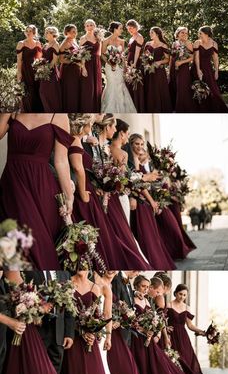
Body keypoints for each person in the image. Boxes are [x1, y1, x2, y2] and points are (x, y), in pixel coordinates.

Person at [1, 270, 82, 374]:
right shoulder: (19, 270)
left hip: (43, 330)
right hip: (27, 331)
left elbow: (69, 306)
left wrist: (68, 332)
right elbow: (14, 300)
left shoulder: (62, 271)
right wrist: (37, 310)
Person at [68, 114, 150, 270]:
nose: (115, 129)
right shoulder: (90, 144)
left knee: (116, 232)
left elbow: (108, 172)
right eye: (114, 126)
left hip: (103, 192)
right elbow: (83, 169)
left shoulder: (101, 146)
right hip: (91, 193)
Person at [0, 113, 74, 270]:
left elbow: (61, 161)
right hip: (12, 185)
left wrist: (69, 196)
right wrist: (7, 110)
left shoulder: (59, 116)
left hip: (41, 188)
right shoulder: (15, 110)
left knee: (37, 241)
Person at [61, 270, 120, 374]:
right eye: (80, 263)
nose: (83, 267)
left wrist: (99, 333)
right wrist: (79, 332)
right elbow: (64, 314)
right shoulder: (66, 283)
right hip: (71, 340)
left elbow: (100, 315)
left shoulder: (96, 287)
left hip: (90, 342)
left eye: (86, 264)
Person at [131, 275, 198, 374]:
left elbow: (156, 318)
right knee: (143, 367)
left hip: (150, 339)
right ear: (136, 286)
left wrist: (155, 332)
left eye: (147, 286)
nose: (145, 289)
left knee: (160, 366)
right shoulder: (132, 299)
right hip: (137, 339)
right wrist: (145, 330)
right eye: (143, 286)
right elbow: (132, 320)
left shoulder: (147, 301)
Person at [96, 115, 152, 270]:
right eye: (127, 133)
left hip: (109, 195)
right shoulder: (123, 154)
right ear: (121, 134)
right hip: (120, 196)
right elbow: (124, 179)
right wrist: (142, 178)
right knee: (124, 229)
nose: (127, 136)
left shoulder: (106, 149)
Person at [94, 270, 149, 374]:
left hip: (107, 331)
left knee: (105, 368)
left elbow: (110, 312)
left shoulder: (111, 286)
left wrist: (109, 334)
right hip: (96, 329)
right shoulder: (102, 282)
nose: (112, 271)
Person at [129, 134, 176, 270]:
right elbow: (139, 184)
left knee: (151, 236)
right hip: (140, 202)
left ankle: (156, 262)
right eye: (137, 144)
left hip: (144, 202)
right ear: (131, 143)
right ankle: (151, 263)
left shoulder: (136, 160)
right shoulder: (131, 159)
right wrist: (152, 201)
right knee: (146, 237)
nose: (140, 147)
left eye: (142, 144)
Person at [23, 270, 75, 374]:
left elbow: (70, 305)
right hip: (37, 329)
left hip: (58, 333)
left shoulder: (65, 273)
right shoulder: (28, 271)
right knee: (35, 371)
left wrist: (69, 333)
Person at [167, 284, 211, 374]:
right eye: (180, 294)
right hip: (171, 336)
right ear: (176, 293)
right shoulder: (168, 305)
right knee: (174, 362)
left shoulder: (187, 308)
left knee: (186, 361)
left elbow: (190, 326)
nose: (182, 297)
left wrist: (202, 332)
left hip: (183, 338)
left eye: (184, 295)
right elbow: (163, 321)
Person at [101, 21, 137, 113]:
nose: (122, 30)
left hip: (120, 67)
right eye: (120, 28)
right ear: (115, 29)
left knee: (120, 85)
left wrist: (125, 67)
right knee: (112, 85)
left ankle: (122, 109)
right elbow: (102, 55)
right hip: (110, 67)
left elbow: (123, 56)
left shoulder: (122, 41)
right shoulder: (105, 41)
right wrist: (110, 63)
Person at [193, 26, 228, 113]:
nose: (199, 35)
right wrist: (198, 70)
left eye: (200, 33)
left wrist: (216, 71)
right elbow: (196, 58)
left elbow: (216, 59)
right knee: (199, 90)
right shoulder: (197, 43)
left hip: (208, 69)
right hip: (197, 68)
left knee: (213, 89)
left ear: (206, 34)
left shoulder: (214, 44)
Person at [144, 27, 172, 112]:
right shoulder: (148, 44)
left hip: (159, 70)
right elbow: (145, 56)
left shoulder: (163, 45)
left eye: (152, 32)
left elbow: (168, 59)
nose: (150, 34)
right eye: (150, 32)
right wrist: (146, 63)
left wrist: (159, 62)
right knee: (150, 88)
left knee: (158, 88)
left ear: (157, 34)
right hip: (149, 69)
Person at [16, 24, 43, 112]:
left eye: (30, 31)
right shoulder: (21, 43)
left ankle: (37, 110)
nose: (28, 33)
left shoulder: (38, 43)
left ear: (34, 32)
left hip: (35, 70)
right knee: (27, 89)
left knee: (36, 89)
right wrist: (19, 72)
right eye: (26, 31)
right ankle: (28, 110)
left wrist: (41, 69)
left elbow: (39, 58)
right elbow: (19, 59)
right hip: (25, 70)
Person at [170, 27, 197, 112]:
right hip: (173, 68)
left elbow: (193, 57)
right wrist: (169, 67)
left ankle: (183, 108)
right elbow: (171, 57)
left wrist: (182, 62)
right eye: (182, 32)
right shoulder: (174, 43)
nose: (185, 34)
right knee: (175, 86)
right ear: (177, 34)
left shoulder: (188, 43)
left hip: (183, 68)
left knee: (182, 87)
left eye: (186, 33)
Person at [79, 19, 103, 112]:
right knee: (88, 88)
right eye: (87, 25)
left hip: (96, 64)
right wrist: (83, 68)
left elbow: (99, 53)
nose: (89, 27)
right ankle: (87, 109)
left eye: (91, 25)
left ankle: (96, 109)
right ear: (85, 27)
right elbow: (80, 54)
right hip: (87, 64)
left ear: (94, 26)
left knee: (97, 87)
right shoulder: (82, 39)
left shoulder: (98, 38)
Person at [39, 26, 62, 112]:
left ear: (53, 34)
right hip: (43, 71)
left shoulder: (56, 44)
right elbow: (42, 58)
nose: (46, 34)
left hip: (51, 72)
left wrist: (46, 71)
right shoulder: (45, 45)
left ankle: (53, 110)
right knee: (42, 92)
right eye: (46, 32)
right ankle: (47, 110)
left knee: (50, 93)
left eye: (48, 32)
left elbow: (54, 61)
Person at [59, 24, 81, 112]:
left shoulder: (74, 41)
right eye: (73, 32)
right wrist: (74, 61)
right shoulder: (65, 43)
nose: (75, 33)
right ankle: (69, 109)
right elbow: (61, 60)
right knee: (70, 90)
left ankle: (75, 108)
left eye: (76, 31)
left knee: (75, 90)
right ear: (67, 33)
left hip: (75, 69)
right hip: (68, 70)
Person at [126, 19, 145, 112]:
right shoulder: (131, 38)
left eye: (131, 28)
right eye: (128, 28)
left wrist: (134, 63)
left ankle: (138, 105)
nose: (130, 30)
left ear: (136, 27)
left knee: (136, 82)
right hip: (129, 60)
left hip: (135, 61)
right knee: (130, 82)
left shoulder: (139, 37)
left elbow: (137, 52)